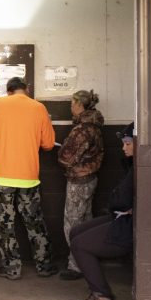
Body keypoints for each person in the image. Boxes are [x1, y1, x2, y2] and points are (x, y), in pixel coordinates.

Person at [0, 76, 58, 280]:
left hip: (1, 178)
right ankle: (44, 266)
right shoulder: (38, 107)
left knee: (6, 225)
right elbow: (49, 144)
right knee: (34, 222)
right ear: (27, 89)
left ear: (8, 91)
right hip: (28, 178)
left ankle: (12, 269)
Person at [69, 122, 135, 300]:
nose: (124, 148)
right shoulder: (133, 163)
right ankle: (95, 287)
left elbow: (119, 199)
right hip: (123, 216)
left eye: (127, 143)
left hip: (130, 225)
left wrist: (119, 203)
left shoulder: (141, 166)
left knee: (80, 245)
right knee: (75, 233)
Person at [56, 89, 105, 281]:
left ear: (79, 105)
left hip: (78, 181)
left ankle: (77, 265)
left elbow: (66, 158)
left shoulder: (82, 130)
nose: (70, 107)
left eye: (72, 104)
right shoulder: (96, 126)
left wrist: (60, 153)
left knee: (73, 224)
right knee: (87, 222)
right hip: (91, 178)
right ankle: (88, 261)